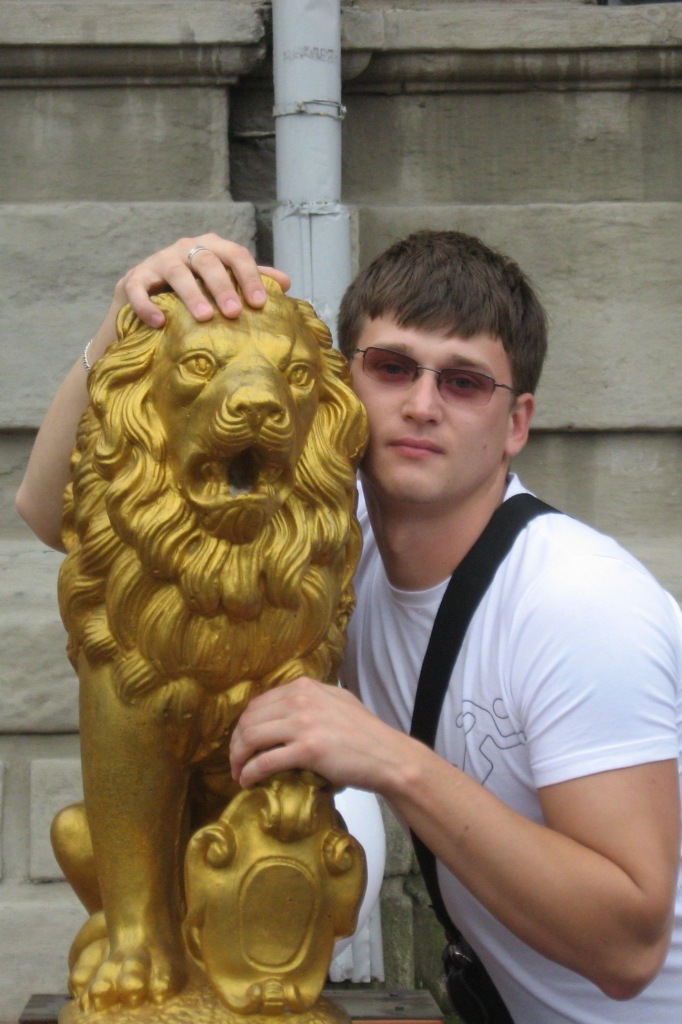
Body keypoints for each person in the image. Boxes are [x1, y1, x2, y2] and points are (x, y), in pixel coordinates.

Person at [16, 231, 682, 1024]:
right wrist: (125, 319)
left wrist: (391, 762)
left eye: (465, 382)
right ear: (345, 385)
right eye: (393, 368)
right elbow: (51, 512)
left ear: (516, 423)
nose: (422, 404)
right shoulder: (325, 539)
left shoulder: (580, 603)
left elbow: (629, 950)